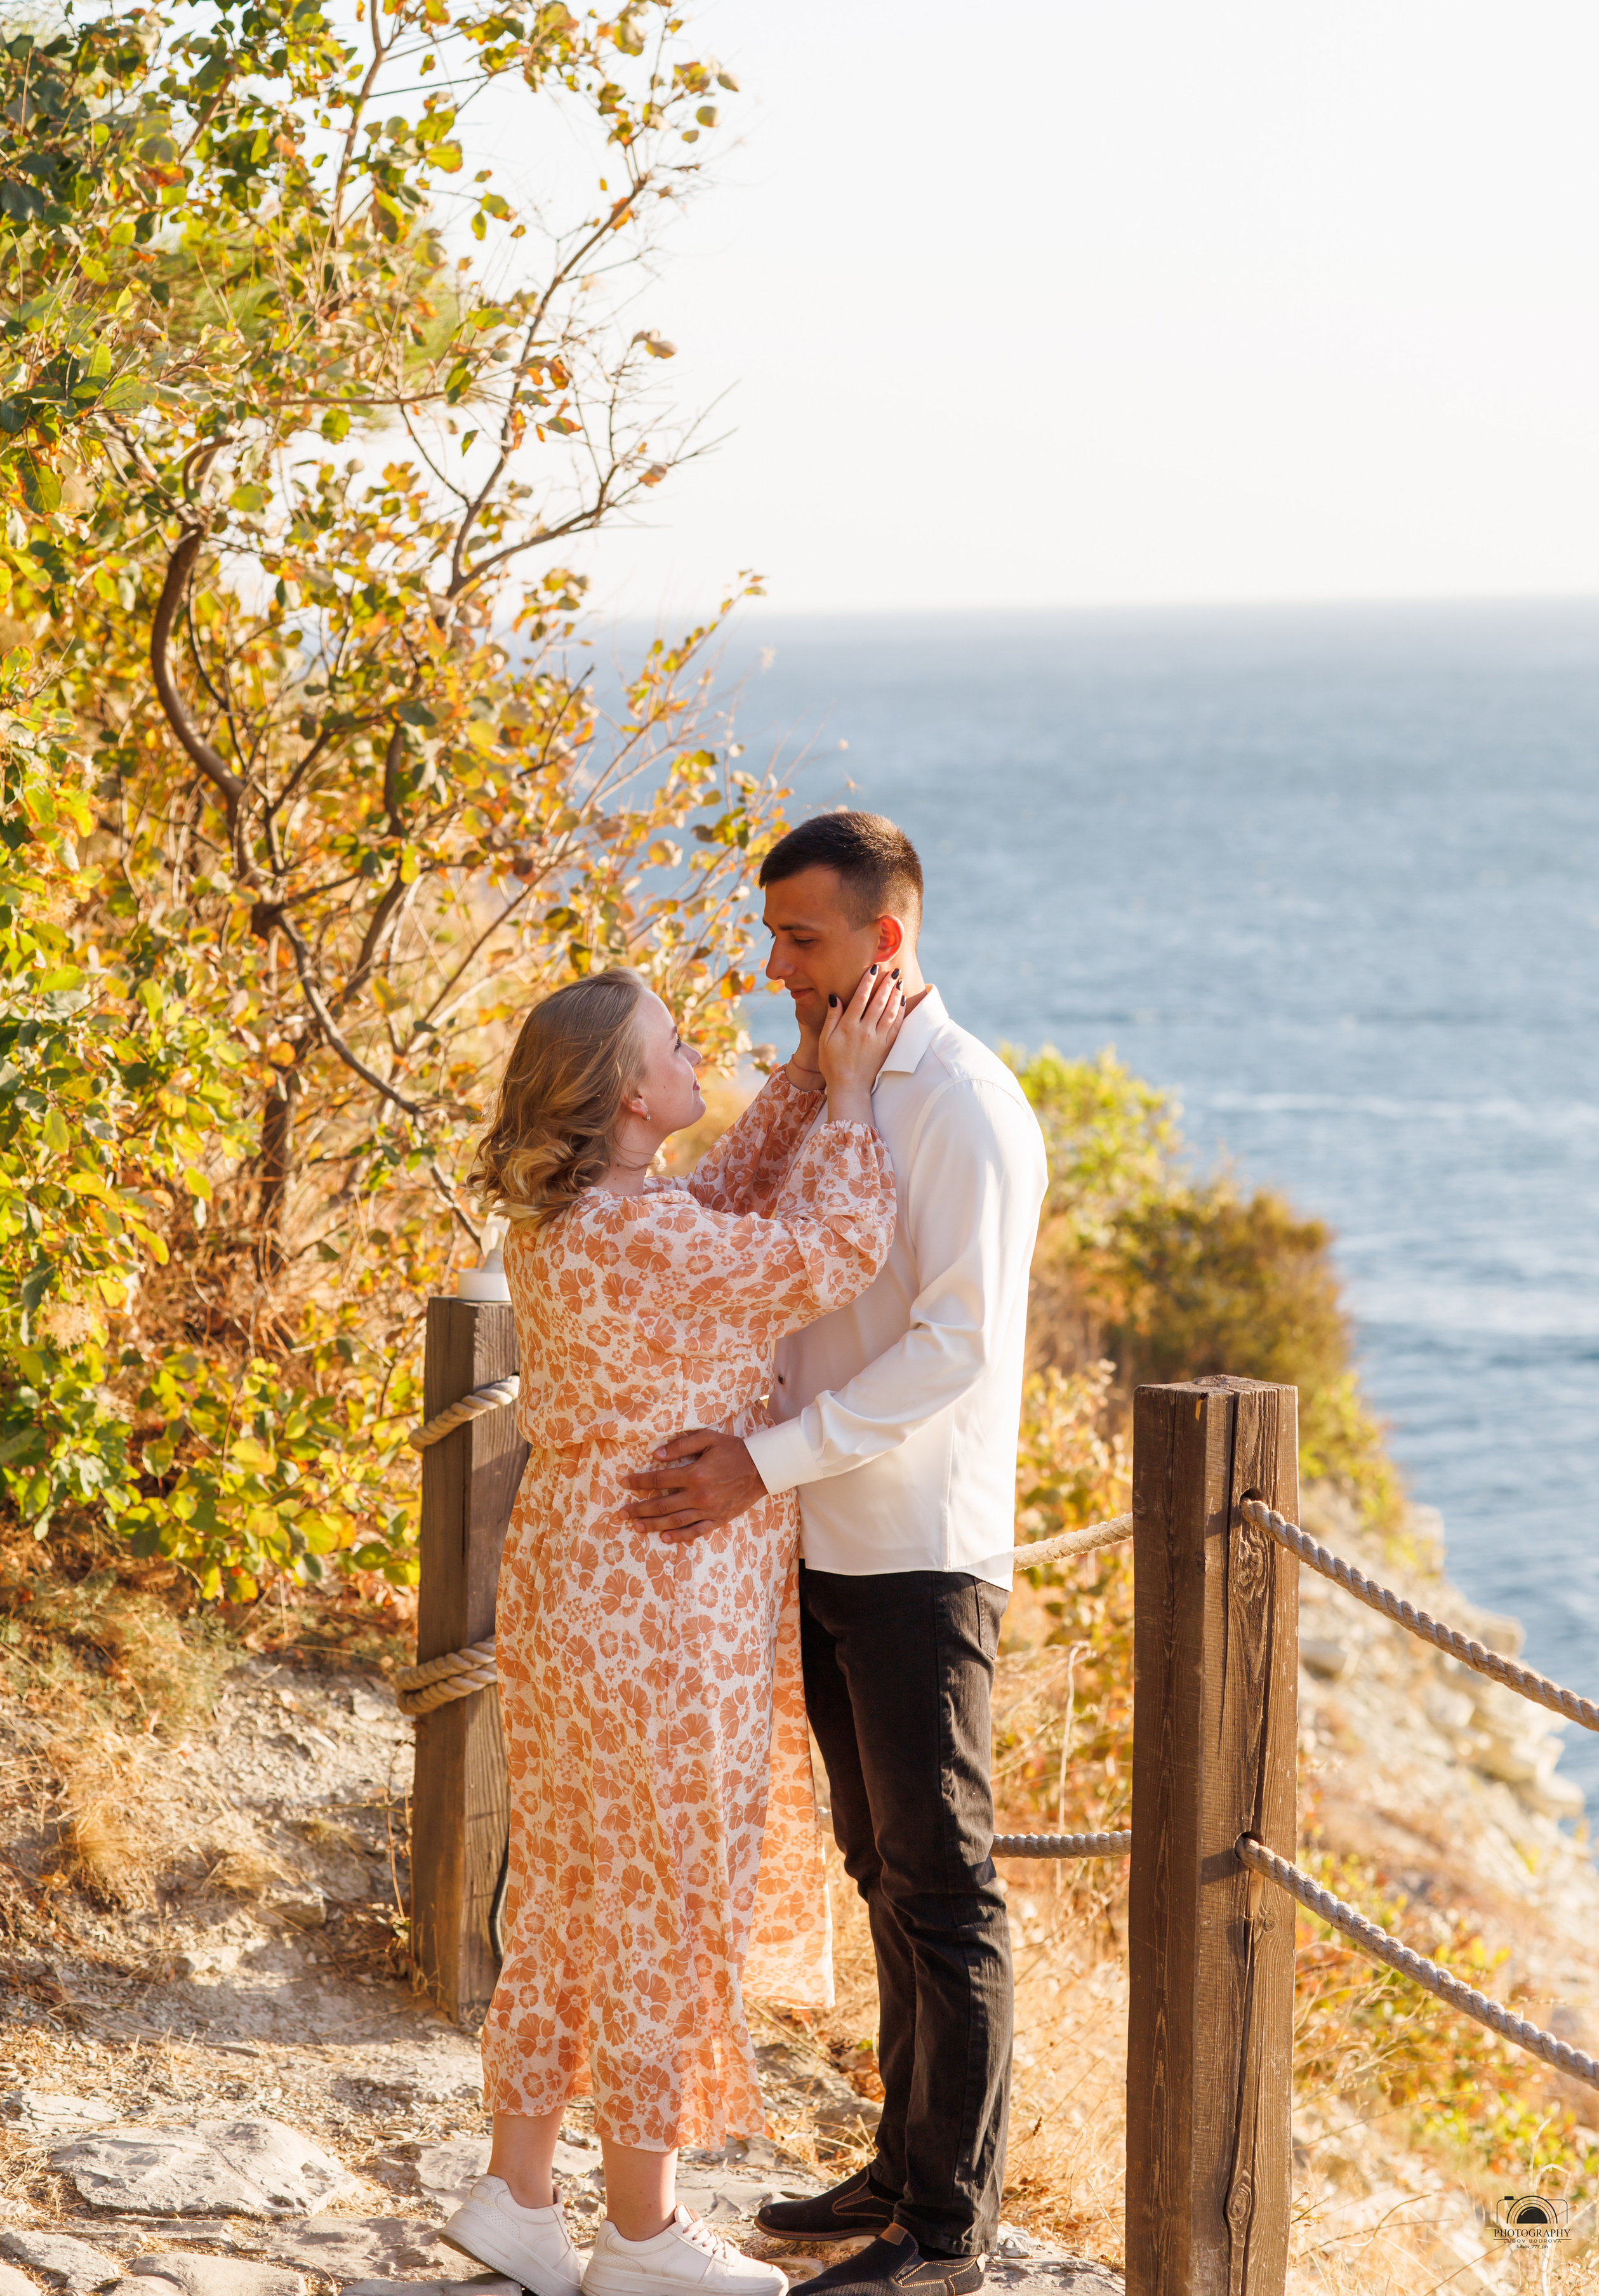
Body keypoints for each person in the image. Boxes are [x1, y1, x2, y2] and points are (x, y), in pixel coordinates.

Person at [627, 813, 1049, 2296]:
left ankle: (946, 2232)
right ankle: (902, 2166)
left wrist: (763, 1460)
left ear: (885, 939)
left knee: (942, 1882)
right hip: (822, 1537)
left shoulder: (965, 1105)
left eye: (797, 939)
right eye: (771, 938)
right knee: (880, 1866)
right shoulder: (834, 1081)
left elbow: (953, 1348)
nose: (774, 968)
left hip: (919, 1549)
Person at [442, 963, 904, 2296]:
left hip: (573, 1575)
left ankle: (518, 2196)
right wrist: (853, 1098)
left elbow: (730, 1200)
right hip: (663, 1593)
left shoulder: (587, 1218)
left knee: (573, 1881)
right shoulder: (644, 1236)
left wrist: (806, 1077)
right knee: (667, 1891)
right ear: (630, 1097)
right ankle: (640, 2234)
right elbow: (830, 1253)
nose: (700, 1055)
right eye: (676, 1046)